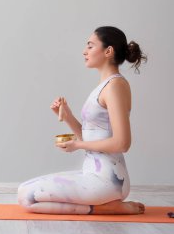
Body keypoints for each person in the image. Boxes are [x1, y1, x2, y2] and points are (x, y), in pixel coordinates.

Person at [17, 26, 147, 215]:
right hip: (93, 175)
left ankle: (110, 208)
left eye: (90, 46)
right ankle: (105, 206)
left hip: (107, 181)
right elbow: (93, 138)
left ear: (108, 51)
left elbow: (122, 143)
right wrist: (68, 117)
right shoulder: (105, 86)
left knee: (26, 196)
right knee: (24, 191)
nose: (84, 51)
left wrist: (77, 145)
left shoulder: (115, 86)